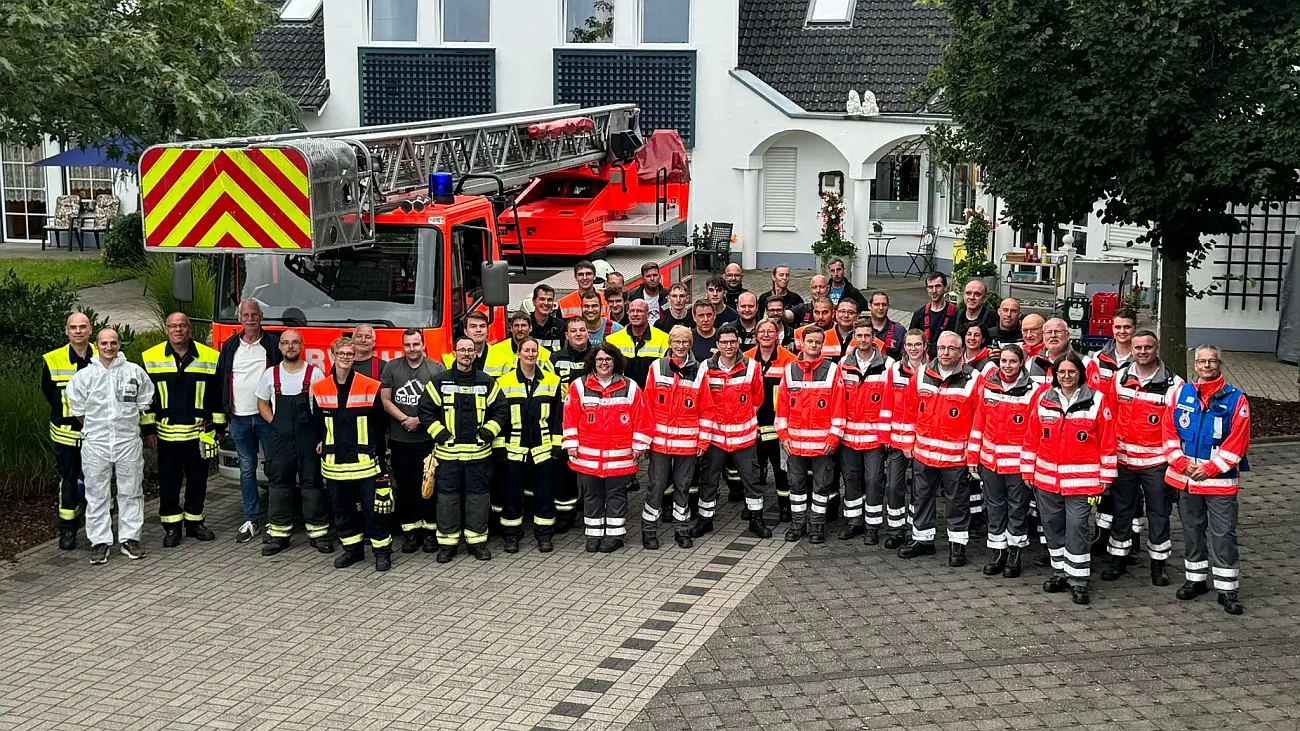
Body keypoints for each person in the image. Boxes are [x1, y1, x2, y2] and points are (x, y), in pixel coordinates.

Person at [1023, 352, 1117, 606]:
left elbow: (1107, 442)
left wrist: (1107, 476)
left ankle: (1079, 579)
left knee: (1078, 526)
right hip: (1046, 479)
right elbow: (1032, 438)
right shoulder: (1043, 399)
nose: (1066, 376)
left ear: (1080, 374)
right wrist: (1027, 469)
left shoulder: (1097, 400)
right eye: (1062, 372)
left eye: (1071, 372)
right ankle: (1060, 572)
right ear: (1055, 375)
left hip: (1084, 482)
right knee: (1052, 525)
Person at [1163, 345, 1250, 615]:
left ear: (1219, 364)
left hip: (1219, 483)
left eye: (1212, 361)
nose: (1207, 365)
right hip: (1187, 479)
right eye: (1202, 361)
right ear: (1195, 365)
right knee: (1191, 531)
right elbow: (1168, 432)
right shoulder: (1180, 393)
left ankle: (1227, 589)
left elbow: (1238, 442)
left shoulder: (1237, 399)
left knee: (1223, 534)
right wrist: (1181, 464)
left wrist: (1210, 469)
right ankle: (1195, 580)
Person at [1099, 329, 1183, 585]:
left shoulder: (1174, 385)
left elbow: (1178, 427)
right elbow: (1108, 417)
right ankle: (1118, 561)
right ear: (1132, 350)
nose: (1143, 352)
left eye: (1148, 347)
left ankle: (1158, 565)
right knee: (1122, 512)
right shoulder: (1119, 379)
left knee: (1159, 513)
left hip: (1156, 463)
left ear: (1156, 349)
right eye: (1138, 348)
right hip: (1124, 461)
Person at [896, 331, 985, 566]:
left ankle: (958, 545)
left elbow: (978, 419)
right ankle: (923, 540)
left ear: (960, 351)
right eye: (942, 348)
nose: (946, 353)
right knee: (921, 497)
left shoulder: (973, 378)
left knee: (957, 500)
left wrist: (972, 451)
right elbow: (909, 411)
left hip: (955, 456)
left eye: (952, 349)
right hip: (923, 453)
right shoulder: (922, 374)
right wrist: (907, 442)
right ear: (935, 348)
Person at [66, 329, 154, 564]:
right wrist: (97, 430)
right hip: (96, 443)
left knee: (132, 491)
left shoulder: (134, 372)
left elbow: (145, 400)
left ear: (119, 344)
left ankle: (130, 539)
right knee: (96, 493)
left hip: (127, 441)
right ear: (96, 345)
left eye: (113, 343)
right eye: (104, 343)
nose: (109, 347)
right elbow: (78, 410)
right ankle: (100, 542)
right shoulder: (84, 376)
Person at [420, 335, 508, 563]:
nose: (467, 354)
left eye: (470, 350)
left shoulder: (486, 381)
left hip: (479, 456)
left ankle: (476, 542)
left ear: (475, 354)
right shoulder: (440, 381)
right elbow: (425, 410)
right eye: (462, 350)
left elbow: (501, 410)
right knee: (447, 500)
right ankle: (448, 545)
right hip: (447, 457)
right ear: (455, 353)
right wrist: (441, 434)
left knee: (478, 500)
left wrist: (487, 433)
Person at [142, 312, 224, 547]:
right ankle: (171, 527)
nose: (178, 330)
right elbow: (146, 399)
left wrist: (218, 427)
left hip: (199, 433)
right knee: (169, 482)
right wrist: (148, 429)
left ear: (189, 328)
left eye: (182, 326)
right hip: (166, 435)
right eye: (173, 326)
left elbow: (216, 396)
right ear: (166, 329)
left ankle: (195, 523)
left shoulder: (210, 357)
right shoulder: (151, 357)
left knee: (199, 480)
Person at [563, 342, 653, 553]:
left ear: (615, 362)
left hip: (619, 455)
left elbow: (642, 418)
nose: (604, 363)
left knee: (616, 495)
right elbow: (569, 417)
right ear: (593, 362)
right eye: (600, 359)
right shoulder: (578, 385)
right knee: (592, 495)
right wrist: (571, 443)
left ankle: (615, 535)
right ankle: (593, 536)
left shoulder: (630, 386)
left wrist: (640, 445)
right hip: (588, 455)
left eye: (608, 359)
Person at [311, 338, 392, 571]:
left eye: (350, 353)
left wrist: (382, 463)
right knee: (342, 512)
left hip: (365, 463)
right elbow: (318, 423)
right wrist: (321, 443)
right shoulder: (320, 389)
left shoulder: (370, 386)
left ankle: (382, 553)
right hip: (334, 464)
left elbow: (379, 425)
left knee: (374, 510)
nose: (346, 357)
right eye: (341, 353)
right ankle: (352, 551)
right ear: (332, 355)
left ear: (355, 357)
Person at [256, 329, 331, 556]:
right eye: (286, 343)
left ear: (302, 346)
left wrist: (321, 437)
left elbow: (324, 407)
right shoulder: (270, 374)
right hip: (280, 440)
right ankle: (279, 536)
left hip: (308, 438)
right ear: (280, 347)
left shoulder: (315, 374)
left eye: (295, 343)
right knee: (279, 486)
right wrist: (275, 422)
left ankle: (318, 534)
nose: (290, 347)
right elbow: (261, 403)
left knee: (313, 484)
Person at [970, 344, 1039, 578]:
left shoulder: (1034, 390)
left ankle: (1015, 552)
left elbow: (1034, 431)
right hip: (990, 462)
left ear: (1021, 363)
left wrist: (1030, 465)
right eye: (1004, 361)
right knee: (995, 507)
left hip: (1017, 464)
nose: (1007, 366)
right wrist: (973, 456)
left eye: (1012, 361)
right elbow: (979, 422)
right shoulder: (989, 386)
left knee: (1017, 508)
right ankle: (998, 551)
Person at [218, 299, 282, 545]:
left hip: (267, 417)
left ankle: (276, 520)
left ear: (261, 316)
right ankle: (251, 519)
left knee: (275, 468)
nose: (250, 319)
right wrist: (224, 414)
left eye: (254, 315)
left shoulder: (273, 344)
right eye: (245, 315)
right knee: (247, 469)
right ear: (239, 319)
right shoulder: (231, 345)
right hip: (240, 418)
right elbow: (222, 377)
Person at [697, 324, 770, 539]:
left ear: (738, 342)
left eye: (732, 342)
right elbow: (703, 400)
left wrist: (742, 417)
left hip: (744, 435)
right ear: (717, 345)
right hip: (716, 435)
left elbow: (757, 398)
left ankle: (756, 519)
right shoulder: (705, 368)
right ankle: (705, 520)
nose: (729, 346)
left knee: (752, 479)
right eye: (724, 342)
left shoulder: (752, 366)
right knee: (709, 479)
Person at [643, 326, 712, 549]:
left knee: (683, 486)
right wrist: (645, 440)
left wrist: (703, 441)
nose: (681, 346)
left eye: (685, 342)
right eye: (677, 342)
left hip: (687, 444)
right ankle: (649, 529)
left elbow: (707, 409)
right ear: (670, 344)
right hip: (660, 443)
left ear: (690, 344)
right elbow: (647, 406)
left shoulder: (700, 372)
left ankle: (681, 529)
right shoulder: (657, 367)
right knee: (657, 485)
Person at [775, 326, 845, 544]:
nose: (814, 345)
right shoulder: (789, 370)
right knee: (796, 485)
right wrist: (783, 435)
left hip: (822, 443)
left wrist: (834, 438)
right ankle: (798, 524)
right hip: (794, 443)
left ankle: (816, 525)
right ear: (801, 344)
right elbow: (782, 407)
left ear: (822, 345)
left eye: (818, 342)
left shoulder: (833, 370)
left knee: (821, 486)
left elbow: (839, 408)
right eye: (810, 341)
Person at [494, 338, 564, 554]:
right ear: (519, 354)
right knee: (512, 496)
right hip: (514, 451)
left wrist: (556, 445)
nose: (531, 354)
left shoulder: (552, 380)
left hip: (543, 450)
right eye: (526, 350)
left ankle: (544, 536)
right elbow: (500, 417)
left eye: (534, 351)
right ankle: (511, 537)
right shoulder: (504, 382)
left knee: (544, 495)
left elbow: (557, 417)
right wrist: (498, 447)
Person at [380, 328, 446, 554]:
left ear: (423, 345)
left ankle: (430, 532)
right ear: (403, 346)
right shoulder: (392, 368)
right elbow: (385, 400)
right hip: (400, 439)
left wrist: (420, 420)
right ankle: (411, 532)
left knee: (429, 486)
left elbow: (442, 403)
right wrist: (404, 419)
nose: (412, 349)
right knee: (406, 488)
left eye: (416, 344)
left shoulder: (436, 369)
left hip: (427, 440)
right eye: (407, 345)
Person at [838, 319, 895, 544]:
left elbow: (891, 403)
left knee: (873, 481)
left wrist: (886, 435)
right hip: (849, 436)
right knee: (851, 479)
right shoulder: (844, 363)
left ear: (874, 338)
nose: (863, 340)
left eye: (867, 336)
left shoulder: (889, 364)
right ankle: (854, 522)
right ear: (854, 337)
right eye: (859, 336)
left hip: (874, 438)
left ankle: (872, 525)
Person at [42, 312, 95, 550]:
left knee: (100, 480)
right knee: (69, 481)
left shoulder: (103, 353)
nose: (78, 331)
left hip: (97, 433)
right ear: (67, 331)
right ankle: (68, 530)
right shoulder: (53, 360)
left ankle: (101, 528)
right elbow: (48, 393)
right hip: (66, 433)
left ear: (90, 330)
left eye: (82, 327)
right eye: (73, 327)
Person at [746, 318, 798, 523]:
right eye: (762, 332)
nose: (766, 335)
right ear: (756, 336)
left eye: (771, 331)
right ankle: (753, 506)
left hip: (779, 424)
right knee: (753, 469)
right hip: (753, 423)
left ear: (778, 335)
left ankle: (785, 506)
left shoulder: (790, 360)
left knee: (780, 469)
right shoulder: (746, 359)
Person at [884, 329, 928, 549]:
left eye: (917, 344)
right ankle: (896, 528)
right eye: (909, 345)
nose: (913, 348)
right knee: (893, 486)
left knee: (919, 489)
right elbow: (887, 403)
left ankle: (913, 529)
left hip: (922, 440)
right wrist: (885, 436)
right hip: (897, 439)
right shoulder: (894, 369)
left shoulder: (931, 371)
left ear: (925, 347)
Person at [550, 318, 593, 533]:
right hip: (562, 422)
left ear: (588, 333)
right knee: (563, 471)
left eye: (582, 330)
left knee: (590, 471)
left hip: (592, 424)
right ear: (566, 335)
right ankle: (565, 514)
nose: (578, 334)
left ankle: (590, 512)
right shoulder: (554, 359)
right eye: (573, 331)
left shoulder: (598, 357)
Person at [607, 298, 670, 387]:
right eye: (632, 311)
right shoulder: (612, 340)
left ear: (648, 315)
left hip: (651, 394)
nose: (635, 314)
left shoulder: (664, 339)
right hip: (622, 394)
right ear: (628, 314)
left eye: (639, 311)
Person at [486, 311, 554, 378]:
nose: (520, 329)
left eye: (523, 325)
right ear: (511, 328)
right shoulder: (495, 350)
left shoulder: (545, 354)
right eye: (516, 326)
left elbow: (549, 380)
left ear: (530, 328)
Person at [909, 273, 959, 357]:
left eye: (938, 286)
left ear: (945, 288)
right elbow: (911, 339)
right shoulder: (919, 314)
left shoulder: (956, 314)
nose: (934, 291)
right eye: (930, 287)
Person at [1086, 307, 1137, 389]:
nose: (1122, 331)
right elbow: (1092, 389)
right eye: (1118, 327)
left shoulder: (1140, 360)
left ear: (1135, 329)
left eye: (1127, 327)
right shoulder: (1098, 358)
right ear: (1112, 328)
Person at [1027, 317, 1082, 383]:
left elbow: (1092, 392)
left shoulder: (1084, 362)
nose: (1053, 335)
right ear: (1043, 336)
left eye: (1058, 331)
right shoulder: (1032, 363)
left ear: (1068, 335)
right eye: (1049, 332)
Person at [867, 291, 906, 360]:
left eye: (884, 305)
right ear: (869, 306)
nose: (881, 308)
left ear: (888, 306)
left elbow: (906, 358)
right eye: (877, 304)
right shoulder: (860, 329)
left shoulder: (899, 331)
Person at [529, 284, 565, 351]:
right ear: (533, 301)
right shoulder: (525, 325)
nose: (546, 303)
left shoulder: (560, 326)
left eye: (549, 300)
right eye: (542, 299)